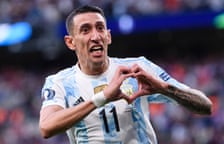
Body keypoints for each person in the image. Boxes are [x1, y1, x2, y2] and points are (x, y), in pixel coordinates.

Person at [39, 5, 212, 144]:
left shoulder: (138, 68)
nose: (95, 36)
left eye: (100, 28)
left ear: (108, 36)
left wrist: (166, 89)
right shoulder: (59, 82)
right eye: (85, 30)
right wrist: (102, 97)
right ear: (70, 42)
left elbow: (205, 106)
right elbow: (47, 127)